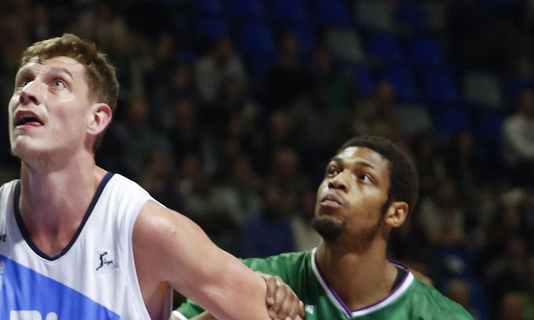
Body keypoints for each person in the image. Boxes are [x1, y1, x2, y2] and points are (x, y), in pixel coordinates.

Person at [0, 34, 304, 320]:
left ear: (96, 118)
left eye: (57, 83)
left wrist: (274, 301)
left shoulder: (146, 230)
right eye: (23, 82)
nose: (29, 93)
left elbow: (269, 315)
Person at [176, 136, 471, 319]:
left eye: (364, 177)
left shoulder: (438, 314)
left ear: (395, 214)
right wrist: (233, 307)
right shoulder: (253, 279)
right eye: (333, 170)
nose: (337, 181)